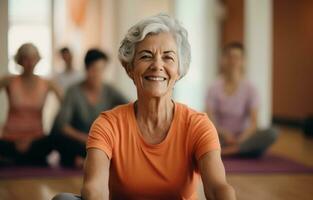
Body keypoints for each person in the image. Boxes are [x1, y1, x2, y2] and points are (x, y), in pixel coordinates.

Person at [53, 14, 235, 200]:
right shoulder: (107, 124)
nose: (157, 65)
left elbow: (217, 186)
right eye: (146, 56)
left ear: (179, 70)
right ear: (130, 68)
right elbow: (95, 189)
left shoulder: (198, 125)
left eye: (168, 57)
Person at [52, 49, 128, 168]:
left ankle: (88, 160)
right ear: (87, 69)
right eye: (95, 69)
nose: (98, 74)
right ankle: (86, 160)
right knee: (58, 140)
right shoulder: (73, 91)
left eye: (102, 70)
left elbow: (132, 107)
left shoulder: (110, 90)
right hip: (78, 141)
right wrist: (85, 138)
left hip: (101, 141)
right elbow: (62, 126)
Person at [206, 42, 278, 158]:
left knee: (272, 132)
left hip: (243, 137)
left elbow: (254, 123)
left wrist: (240, 139)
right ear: (224, 60)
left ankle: (228, 151)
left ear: (243, 61)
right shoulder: (214, 87)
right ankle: (240, 150)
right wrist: (224, 134)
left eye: (237, 57)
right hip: (220, 136)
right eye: (230, 57)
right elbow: (208, 118)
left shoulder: (251, 89)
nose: (233, 61)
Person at [0, 43, 62, 166]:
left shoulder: (47, 83)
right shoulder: (9, 81)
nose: (29, 62)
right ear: (19, 60)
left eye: (33, 58)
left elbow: (67, 105)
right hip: (10, 141)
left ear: (38, 60)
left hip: (36, 140)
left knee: (58, 139)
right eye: (25, 58)